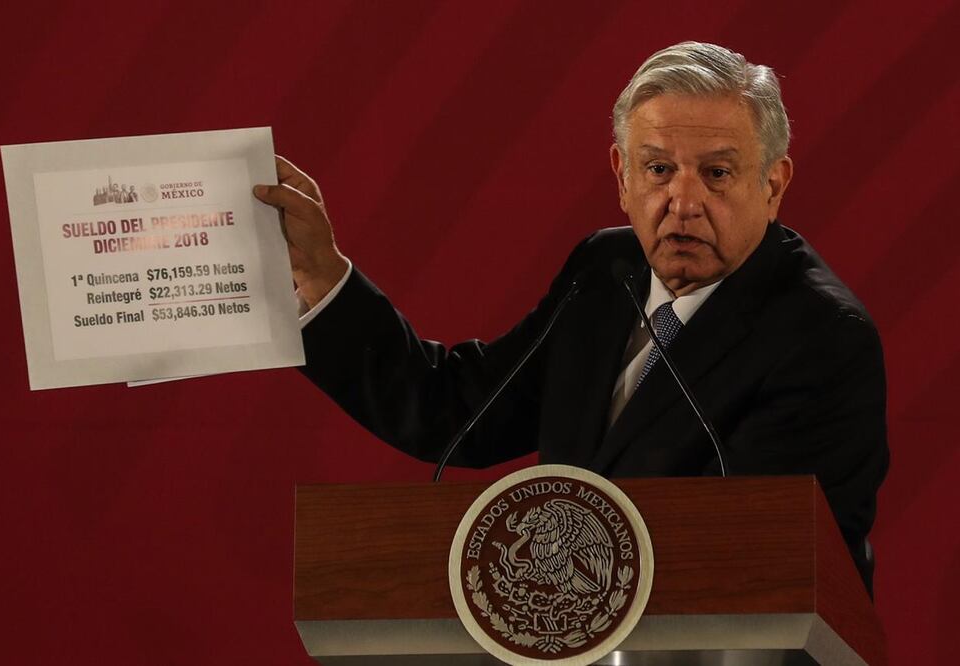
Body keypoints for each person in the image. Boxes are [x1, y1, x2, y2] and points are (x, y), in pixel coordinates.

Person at [253, 41, 888, 595]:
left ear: (773, 185)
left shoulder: (823, 337)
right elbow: (457, 412)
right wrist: (323, 279)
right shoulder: (605, 272)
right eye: (659, 169)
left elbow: (756, 567)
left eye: (717, 173)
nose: (684, 201)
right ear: (622, 175)